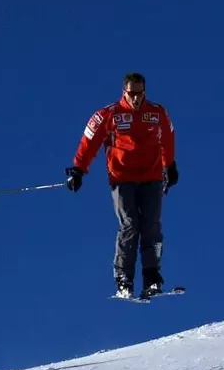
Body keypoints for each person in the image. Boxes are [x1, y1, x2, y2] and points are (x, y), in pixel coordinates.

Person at [65, 72, 179, 299]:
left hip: (151, 177)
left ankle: (152, 277)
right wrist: (78, 169)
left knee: (151, 226)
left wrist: (170, 166)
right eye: (132, 94)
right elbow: (90, 141)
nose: (136, 99)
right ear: (124, 92)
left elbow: (167, 138)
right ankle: (123, 279)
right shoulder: (109, 115)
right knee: (130, 225)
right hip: (122, 178)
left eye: (140, 94)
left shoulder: (157, 113)